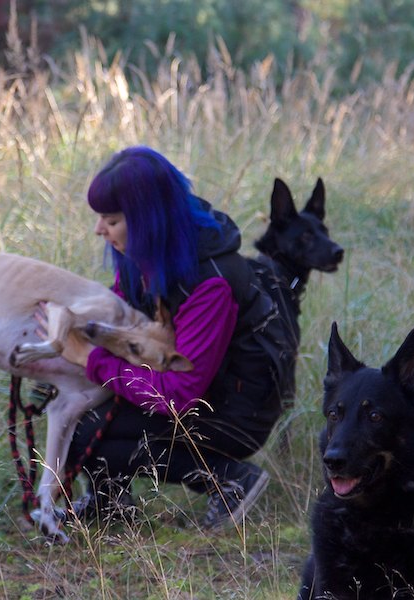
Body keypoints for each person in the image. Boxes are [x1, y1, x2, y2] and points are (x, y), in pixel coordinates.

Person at [60, 146, 290, 530]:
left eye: (111, 220)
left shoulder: (210, 282)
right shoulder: (148, 251)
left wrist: (90, 360)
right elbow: (124, 314)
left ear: (147, 220)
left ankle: (230, 480)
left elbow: (180, 395)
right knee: (69, 403)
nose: (99, 229)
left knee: (85, 429)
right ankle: (109, 501)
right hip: (200, 386)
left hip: (236, 410)